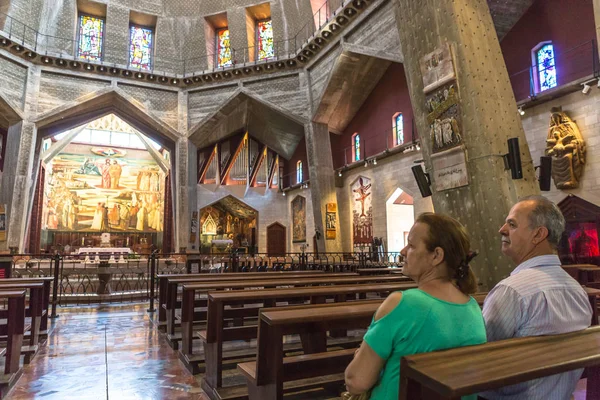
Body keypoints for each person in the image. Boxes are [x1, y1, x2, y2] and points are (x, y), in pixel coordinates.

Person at [344, 213, 486, 400]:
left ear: (436, 255)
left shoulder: (403, 303)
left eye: (411, 245)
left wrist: (359, 357)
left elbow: (356, 381)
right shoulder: (472, 306)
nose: (403, 251)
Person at [481, 195, 592, 400]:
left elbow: (477, 361)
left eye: (511, 224)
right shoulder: (577, 291)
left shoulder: (512, 292)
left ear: (538, 234)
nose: (502, 230)